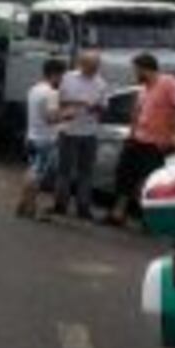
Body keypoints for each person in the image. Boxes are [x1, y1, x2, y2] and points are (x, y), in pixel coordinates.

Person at [106, 53, 175, 227]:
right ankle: (118, 214)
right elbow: (137, 113)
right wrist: (131, 134)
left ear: (144, 69)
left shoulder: (168, 82)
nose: (134, 74)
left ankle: (149, 220)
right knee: (124, 176)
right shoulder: (144, 88)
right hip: (137, 139)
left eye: (136, 70)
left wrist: (172, 133)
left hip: (155, 143)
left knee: (148, 182)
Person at [53, 50, 109, 220]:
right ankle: (60, 205)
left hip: (89, 132)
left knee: (86, 172)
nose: (94, 70)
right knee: (64, 170)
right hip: (68, 129)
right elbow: (58, 101)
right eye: (91, 67)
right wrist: (78, 103)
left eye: (96, 67)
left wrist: (96, 108)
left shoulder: (101, 82)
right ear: (82, 64)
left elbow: (104, 106)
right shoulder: (68, 78)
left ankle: (83, 208)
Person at [17, 58, 67, 218]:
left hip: (32, 136)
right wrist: (69, 114)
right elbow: (51, 118)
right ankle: (32, 208)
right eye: (62, 76)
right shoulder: (51, 93)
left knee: (31, 171)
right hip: (46, 139)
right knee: (38, 176)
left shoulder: (34, 89)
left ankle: (23, 204)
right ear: (55, 74)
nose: (62, 80)